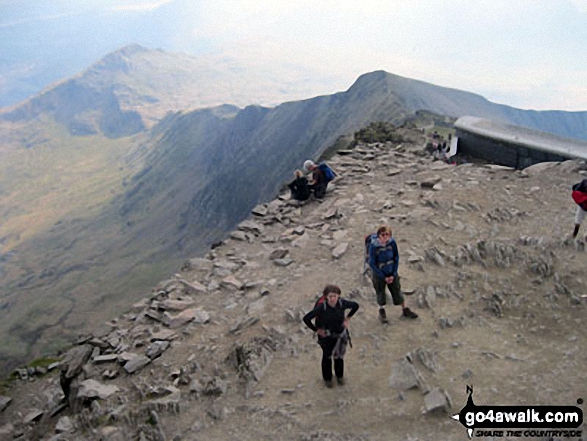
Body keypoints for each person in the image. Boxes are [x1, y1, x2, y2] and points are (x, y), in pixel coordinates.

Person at [303, 285, 359, 388]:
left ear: (338, 296)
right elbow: (306, 318)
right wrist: (317, 330)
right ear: (326, 297)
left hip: (339, 335)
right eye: (330, 296)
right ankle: (328, 379)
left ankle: (339, 376)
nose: (333, 298)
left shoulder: (342, 303)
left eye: (335, 296)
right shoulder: (322, 308)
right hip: (326, 337)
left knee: (339, 357)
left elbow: (355, 306)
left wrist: (348, 318)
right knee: (327, 357)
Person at [368, 225, 418, 323]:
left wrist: (393, 273)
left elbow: (396, 257)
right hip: (379, 275)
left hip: (391, 272)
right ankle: (382, 311)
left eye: (387, 234)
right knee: (380, 292)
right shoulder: (374, 247)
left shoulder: (392, 243)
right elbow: (372, 263)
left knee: (397, 290)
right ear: (379, 235)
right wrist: (383, 276)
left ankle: (405, 309)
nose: (385, 237)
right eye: (383, 234)